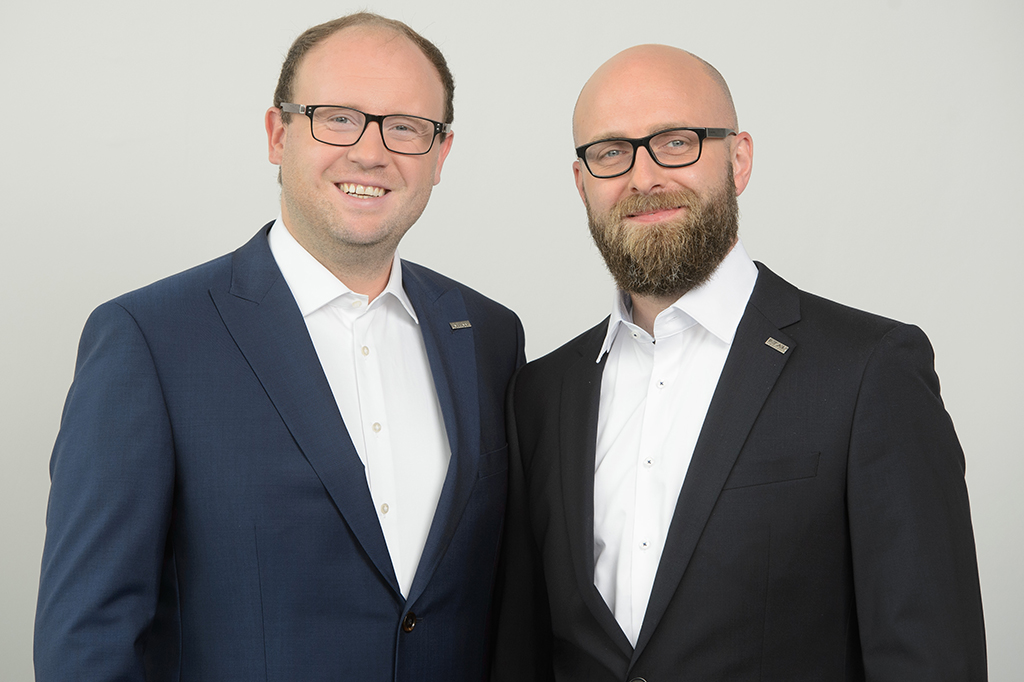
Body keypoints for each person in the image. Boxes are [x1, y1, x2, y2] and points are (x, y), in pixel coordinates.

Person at [35, 12, 524, 681]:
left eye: (406, 127)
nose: (370, 152)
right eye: (337, 118)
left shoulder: (489, 335)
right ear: (278, 134)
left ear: (440, 155)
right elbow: (88, 639)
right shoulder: (149, 340)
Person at [492, 44, 985, 681]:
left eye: (676, 142)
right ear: (582, 181)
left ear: (739, 159)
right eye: (611, 152)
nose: (643, 178)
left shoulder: (869, 371)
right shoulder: (541, 394)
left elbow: (931, 658)